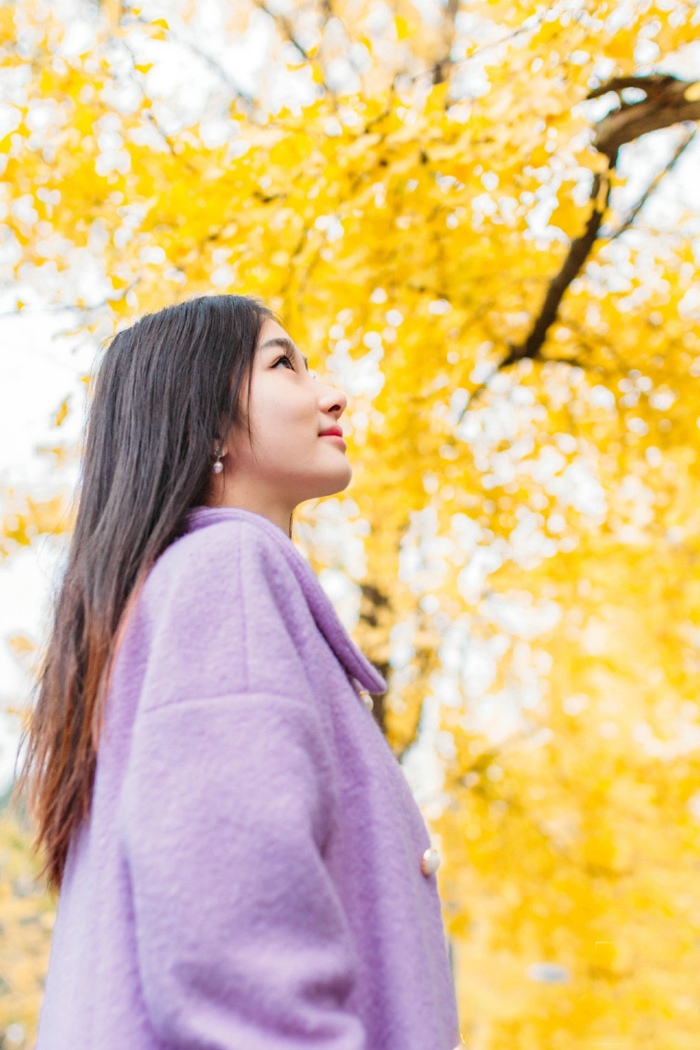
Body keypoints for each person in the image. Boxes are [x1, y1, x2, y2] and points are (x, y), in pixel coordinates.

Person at [14, 294, 462, 1049]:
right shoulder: (228, 571)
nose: (330, 392)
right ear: (205, 418)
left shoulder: (180, 596)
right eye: (283, 363)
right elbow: (232, 935)